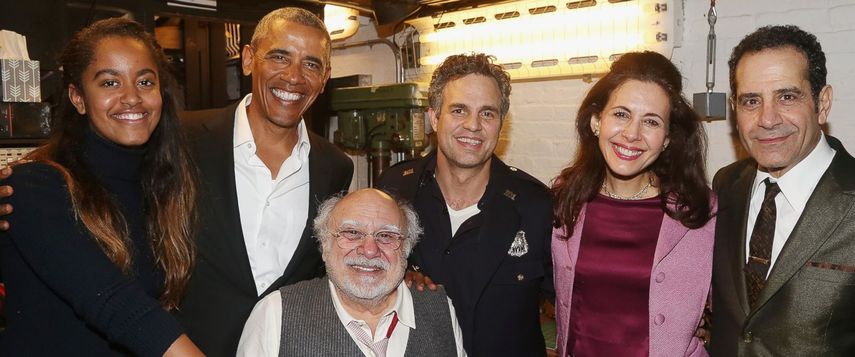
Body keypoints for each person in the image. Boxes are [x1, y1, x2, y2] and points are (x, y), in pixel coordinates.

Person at [0, 18, 202, 356]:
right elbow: (115, 304)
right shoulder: (33, 186)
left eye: (145, 81)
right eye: (110, 82)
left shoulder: (164, 185)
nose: (132, 98)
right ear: (78, 98)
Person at [175, 7, 353, 356]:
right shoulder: (182, 139)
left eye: (312, 64)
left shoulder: (335, 167)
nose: (294, 77)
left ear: (325, 77)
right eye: (279, 57)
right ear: (248, 60)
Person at [376, 53, 553, 356]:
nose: (473, 125)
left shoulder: (537, 207)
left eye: (487, 113)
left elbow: (575, 308)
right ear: (433, 118)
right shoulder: (393, 192)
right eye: (459, 110)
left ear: (500, 124)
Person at [550, 51, 716, 357]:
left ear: (667, 138)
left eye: (651, 121)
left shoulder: (701, 211)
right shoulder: (565, 197)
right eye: (621, 114)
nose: (632, 134)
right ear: (597, 121)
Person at [711, 25, 855, 356]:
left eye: (787, 96)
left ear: (822, 102)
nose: (767, 119)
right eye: (751, 101)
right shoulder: (726, 185)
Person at [237, 189, 466, 356]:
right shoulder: (275, 315)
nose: (369, 250)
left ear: (406, 249)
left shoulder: (440, 310)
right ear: (325, 247)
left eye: (386, 236)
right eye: (352, 232)